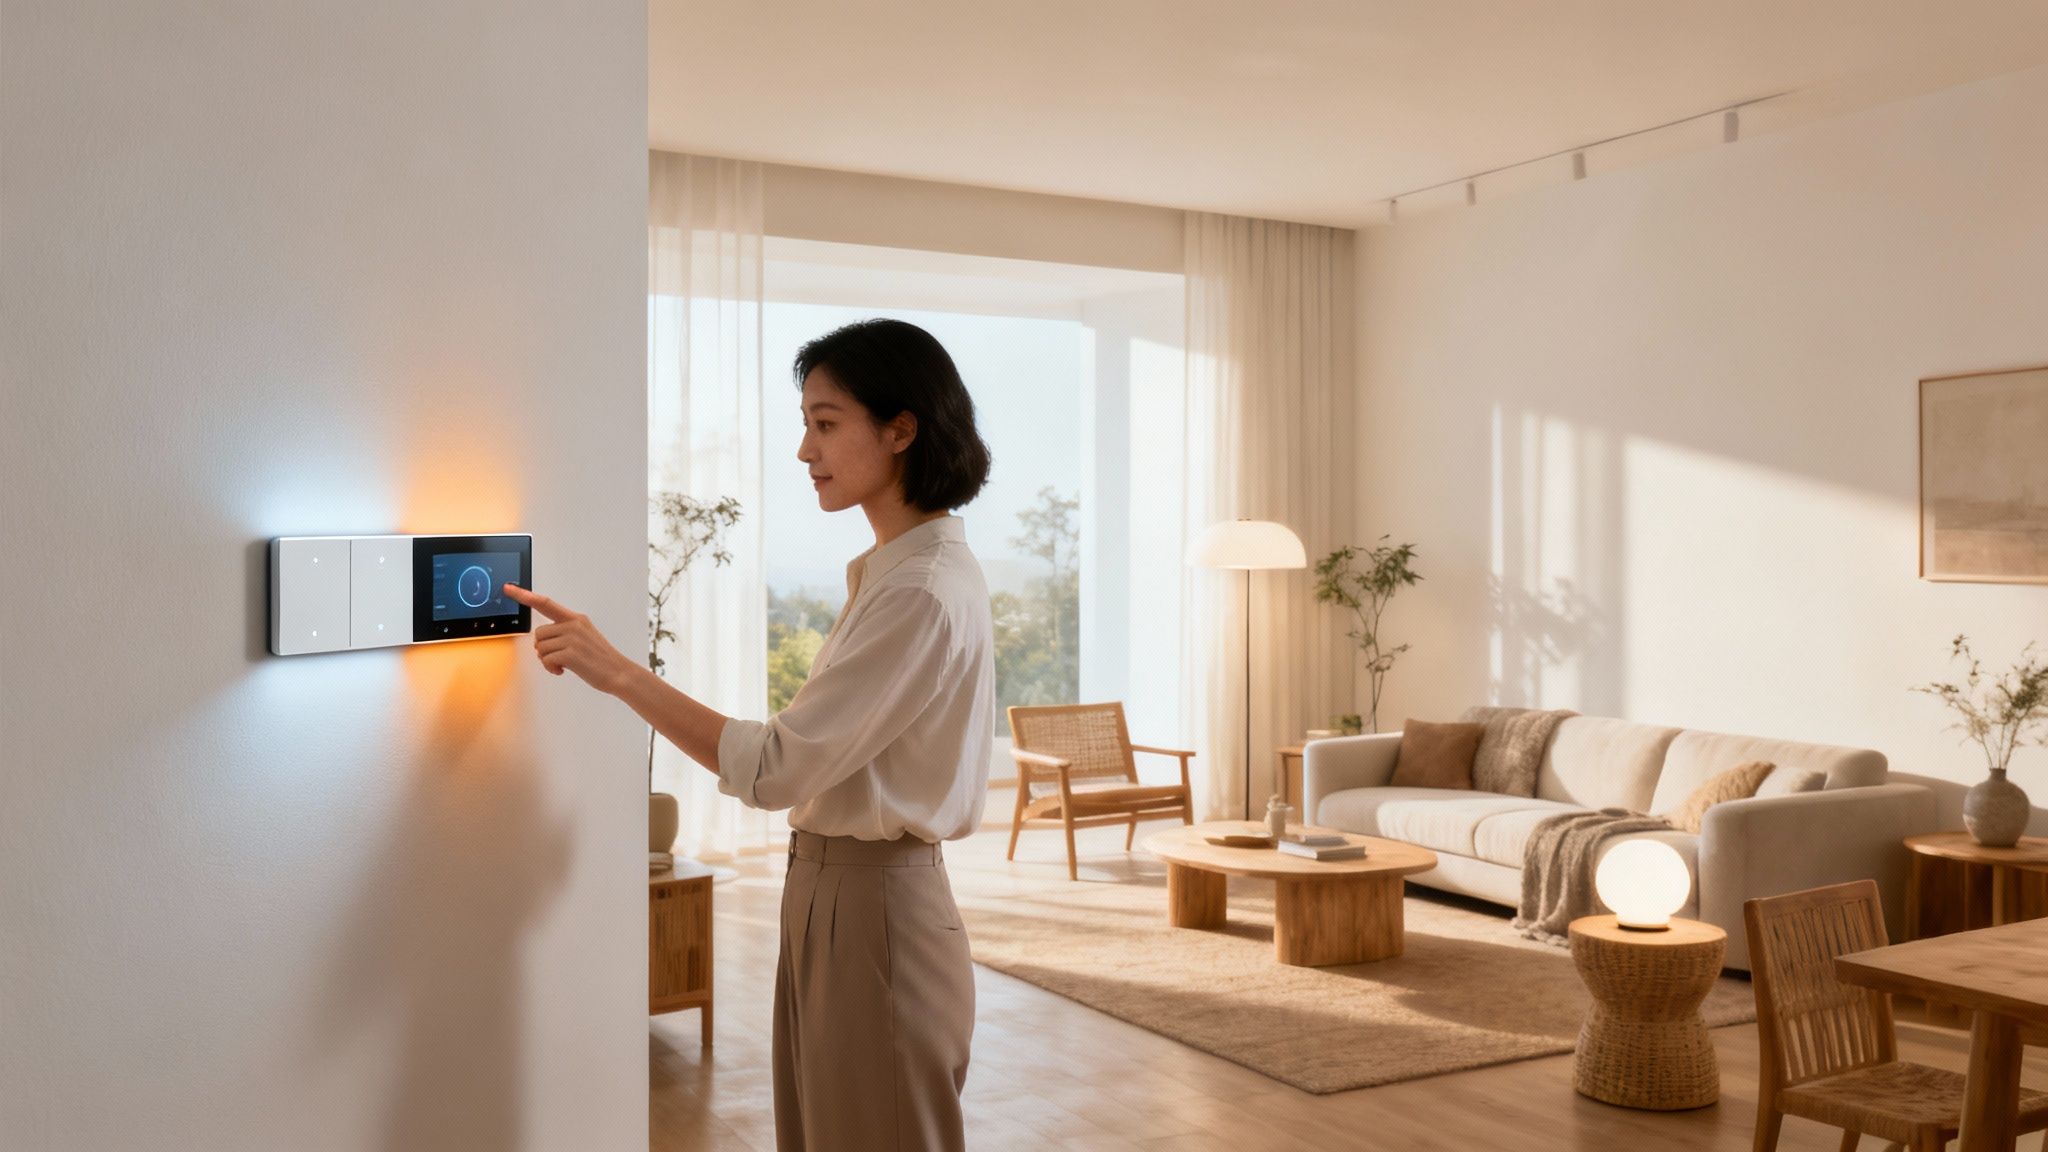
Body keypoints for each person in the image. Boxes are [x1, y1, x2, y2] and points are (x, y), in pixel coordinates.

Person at [503, 317, 996, 1152]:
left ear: (901, 427)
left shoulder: (921, 590)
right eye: (806, 423)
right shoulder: (894, 575)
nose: (806, 449)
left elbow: (774, 770)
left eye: (826, 423)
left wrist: (617, 671)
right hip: (837, 900)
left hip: (876, 911)